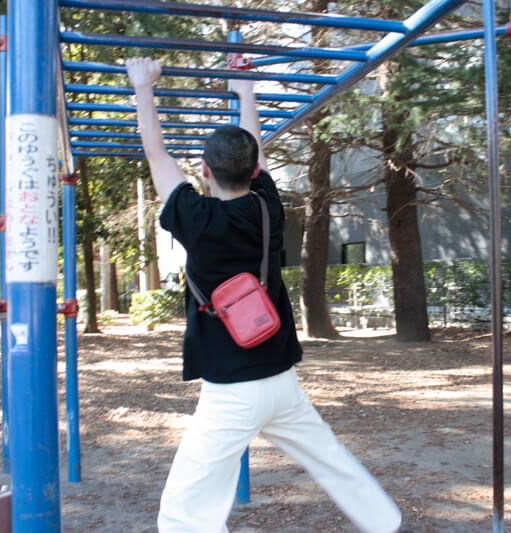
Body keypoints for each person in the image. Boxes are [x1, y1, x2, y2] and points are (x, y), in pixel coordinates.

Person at [125, 57, 402, 533]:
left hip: (232, 389)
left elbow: (157, 157)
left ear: (206, 173)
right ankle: (385, 522)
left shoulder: (198, 219)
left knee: (184, 506)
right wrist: (245, 91)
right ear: (254, 171)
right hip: (279, 377)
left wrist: (143, 87)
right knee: (329, 457)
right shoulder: (267, 207)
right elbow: (257, 154)